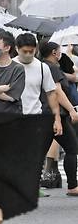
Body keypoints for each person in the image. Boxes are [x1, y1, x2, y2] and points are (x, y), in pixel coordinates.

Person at [39, 41, 78, 196]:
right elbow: (57, 92)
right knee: (72, 148)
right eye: (59, 51)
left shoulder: (41, 66)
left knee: (39, 151)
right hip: (55, 114)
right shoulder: (52, 68)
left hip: (44, 113)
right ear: (54, 53)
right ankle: (73, 186)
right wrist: (71, 110)